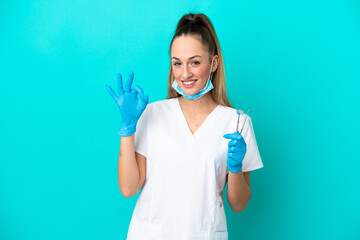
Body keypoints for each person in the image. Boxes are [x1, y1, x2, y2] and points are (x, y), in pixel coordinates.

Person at [106, 12, 263, 240]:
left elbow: (238, 204)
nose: (185, 74)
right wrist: (128, 128)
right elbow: (128, 188)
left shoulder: (237, 123)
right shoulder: (152, 114)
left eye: (195, 62)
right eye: (177, 63)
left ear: (214, 63)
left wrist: (236, 168)